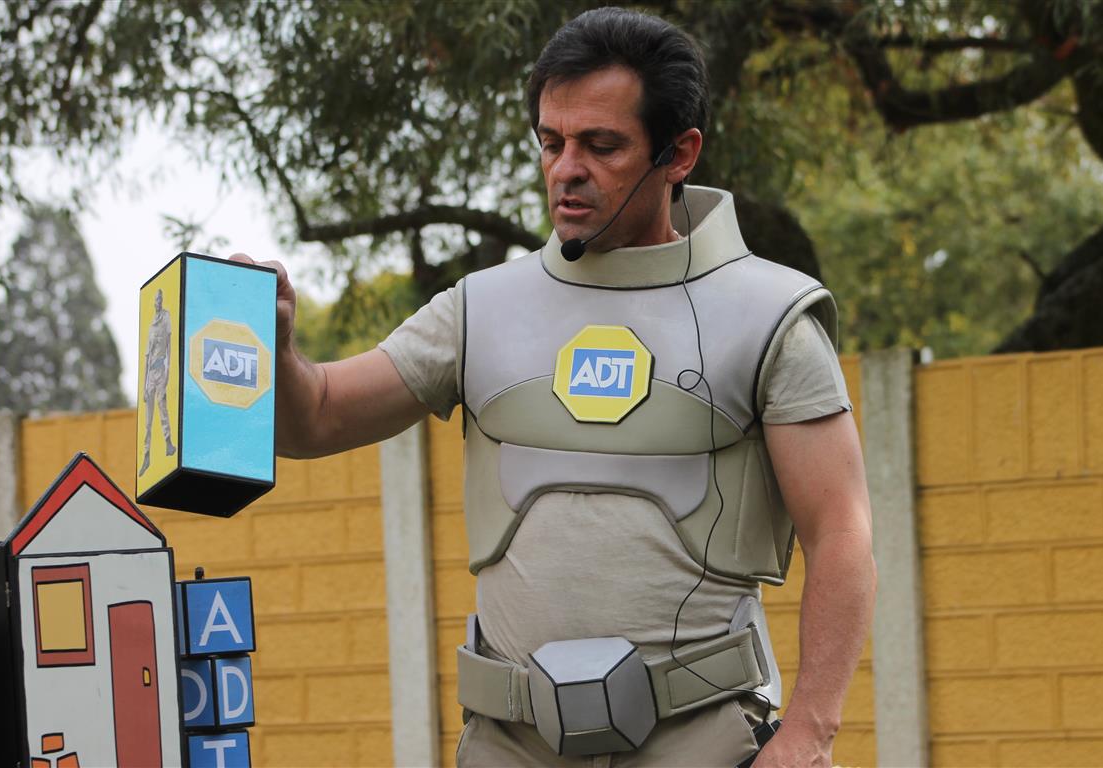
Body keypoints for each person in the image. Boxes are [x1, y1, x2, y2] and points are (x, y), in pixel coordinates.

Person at [234, 8, 875, 766]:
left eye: (602, 146)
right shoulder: (478, 310)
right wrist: (277, 348)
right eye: (551, 142)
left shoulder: (770, 316)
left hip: (701, 740)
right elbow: (315, 418)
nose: (566, 168)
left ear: (678, 153)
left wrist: (808, 732)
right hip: (511, 742)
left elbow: (841, 531)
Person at [139, 288, 175, 475]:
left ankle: (168, 443)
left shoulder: (166, 318)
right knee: (148, 419)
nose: (157, 303)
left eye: (159, 299)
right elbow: (146, 357)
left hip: (161, 370)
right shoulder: (151, 327)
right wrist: (144, 386)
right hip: (151, 375)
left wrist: (168, 369)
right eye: (156, 300)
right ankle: (146, 456)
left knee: (162, 407)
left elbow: (169, 345)